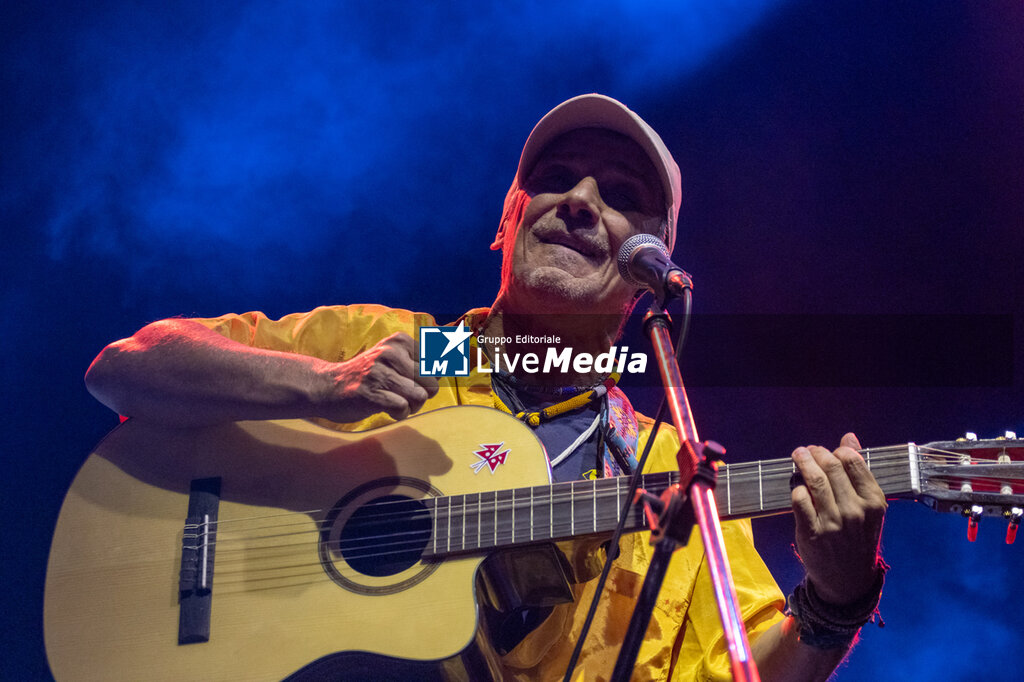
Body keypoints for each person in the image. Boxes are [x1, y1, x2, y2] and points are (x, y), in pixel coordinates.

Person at [85, 94, 887, 681]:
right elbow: (127, 367)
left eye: (621, 199)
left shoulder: (672, 464)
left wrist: (837, 597)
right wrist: (322, 384)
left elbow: (748, 674)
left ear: (650, 271)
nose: (579, 202)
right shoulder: (397, 346)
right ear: (506, 218)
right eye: (557, 177)